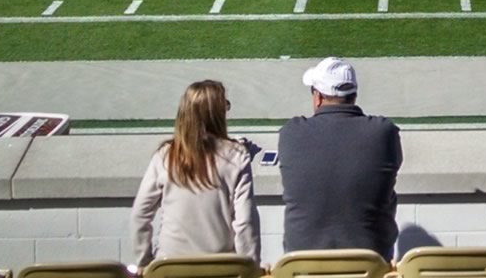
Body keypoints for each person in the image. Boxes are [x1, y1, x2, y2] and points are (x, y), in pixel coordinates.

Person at [278, 58, 401, 257]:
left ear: (317, 97)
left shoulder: (291, 132)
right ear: (353, 96)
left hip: (304, 266)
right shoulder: (383, 132)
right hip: (369, 263)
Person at [129, 80, 260, 263]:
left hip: (169, 266)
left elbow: (140, 215)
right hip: (220, 268)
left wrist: (144, 262)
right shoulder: (236, 156)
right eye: (225, 106)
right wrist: (250, 266)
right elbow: (245, 223)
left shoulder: (165, 156)